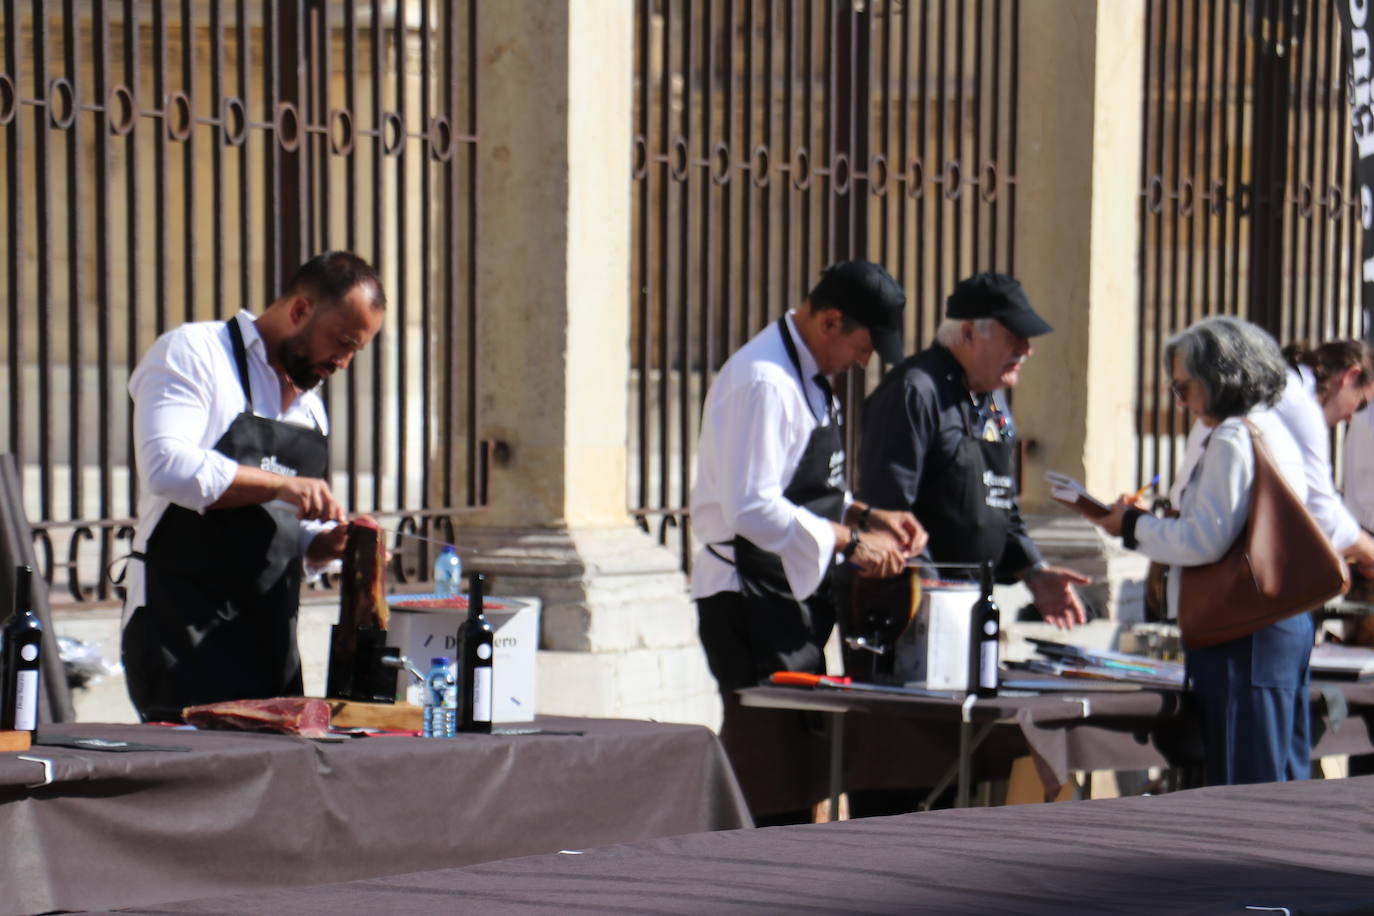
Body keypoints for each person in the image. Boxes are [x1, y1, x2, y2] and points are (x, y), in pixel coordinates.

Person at [689, 260, 926, 824]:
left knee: (803, 775)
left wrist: (870, 513)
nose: (866, 361)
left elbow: (802, 487)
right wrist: (849, 543)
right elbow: (751, 506)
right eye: (865, 345)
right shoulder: (764, 381)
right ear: (830, 321)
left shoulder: (808, 375)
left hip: (787, 597)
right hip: (747, 602)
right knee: (771, 781)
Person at [120, 251, 386, 722]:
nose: (343, 362)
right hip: (180, 635)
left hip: (271, 647)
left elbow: (281, 531)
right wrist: (282, 484)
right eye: (342, 342)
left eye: (355, 351)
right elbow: (166, 466)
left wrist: (325, 545)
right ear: (301, 311)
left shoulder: (311, 409)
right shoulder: (194, 352)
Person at [1094, 316, 1311, 786]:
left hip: (1242, 631)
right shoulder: (1269, 429)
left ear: (1219, 377)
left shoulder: (1234, 438)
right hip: (1270, 626)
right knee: (1277, 780)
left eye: (1183, 387)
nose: (1180, 401)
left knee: (1246, 786)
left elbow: (1204, 540)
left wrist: (1131, 525)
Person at [853, 272, 1089, 631]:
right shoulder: (914, 393)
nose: (1026, 350)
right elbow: (889, 514)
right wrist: (935, 600)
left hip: (973, 606)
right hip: (912, 614)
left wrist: (1034, 572)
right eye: (1014, 337)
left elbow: (1001, 505)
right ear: (966, 333)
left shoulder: (992, 399)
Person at [1276, 340, 1374, 572]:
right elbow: (1322, 511)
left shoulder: (1288, 387)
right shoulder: (1302, 407)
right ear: (1350, 376)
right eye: (1361, 405)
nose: (1352, 417)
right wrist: (1368, 550)